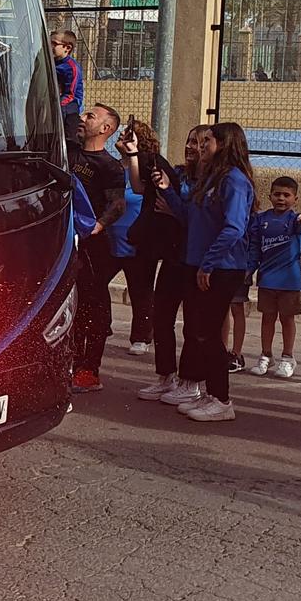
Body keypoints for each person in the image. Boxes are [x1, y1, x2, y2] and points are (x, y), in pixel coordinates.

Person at [151, 122, 254, 422]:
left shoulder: (234, 181)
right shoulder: (209, 179)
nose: (201, 145)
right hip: (200, 263)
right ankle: (211, 393)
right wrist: (168, 191)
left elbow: (234, 228)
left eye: (208, 140)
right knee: (200, 331)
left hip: (222, 267)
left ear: (223, 144)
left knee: (207, 333)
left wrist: (208, 263)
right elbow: (189, 216)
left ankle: (222, 399)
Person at [134, 127, 200, 401]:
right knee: (161, 317)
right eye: (189, 140)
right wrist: (133, 156)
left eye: (199, 142)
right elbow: (141, 187)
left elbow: (197, 220)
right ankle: (165, 376)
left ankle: (191, 381)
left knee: (194, 325)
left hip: (196, 260)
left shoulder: (210, 182)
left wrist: (174, 209)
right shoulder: (178, 172)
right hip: (174, 257)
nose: (191, 146)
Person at [68, 103, 126, 393]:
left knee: (93, 306)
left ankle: (89, 369)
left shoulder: (109, 166)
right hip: (65, 242)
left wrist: (97, 226)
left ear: (105, 129)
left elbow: (118, 204)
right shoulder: (68, 151)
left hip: (92, 245)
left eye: (91, 116)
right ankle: (68, 363)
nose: (83, 118)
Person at [248, 176, 301, 378]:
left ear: (295, 198)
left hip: (289, 281)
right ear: (269, 196)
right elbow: (254, 249)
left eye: (286, 195)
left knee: (287, 319)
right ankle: (266, 355)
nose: (281, 198)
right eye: (277, 194)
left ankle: (288, 357)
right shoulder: (261, 220)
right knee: (267, 318)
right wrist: (248, 271)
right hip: (267, 279)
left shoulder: (295, 220)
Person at [116, 118, 171, 354]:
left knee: (141, 290)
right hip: (111, 238)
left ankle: (141, 337)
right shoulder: (115, 166)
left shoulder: (146, 168)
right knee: (95, 284)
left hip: (136, 242)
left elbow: (141, 192)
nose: (119, 139)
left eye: (124, 135)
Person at [51, 31, 83, 147]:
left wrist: (55, 107)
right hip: (56, 100)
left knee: (68, 136)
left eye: (54, 43)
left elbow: (70, 95)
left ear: (67, 48)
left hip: (70, 107)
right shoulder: (52, 62)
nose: (50, 46)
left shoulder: (71, 67)